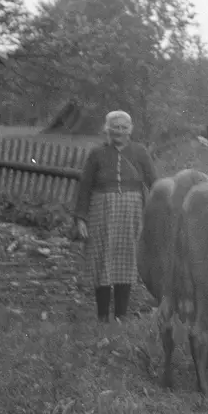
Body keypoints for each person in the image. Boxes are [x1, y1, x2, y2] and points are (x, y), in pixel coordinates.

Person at [72, 110, 157, 322]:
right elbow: (84, 187)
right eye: (115, 127)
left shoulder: (140, 152)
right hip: (101, 211)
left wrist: (158, 213)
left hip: (132, 212)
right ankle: (102, 317)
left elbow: (154, 183)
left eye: (123, 127)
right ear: (107, 129)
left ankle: (120, 316)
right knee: (102, 260)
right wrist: (80, 217)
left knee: (126, 260)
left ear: (130, 130)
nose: (119, 131)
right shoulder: (97, 154)